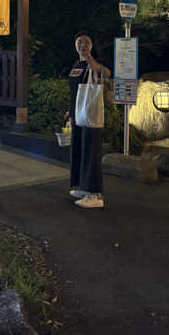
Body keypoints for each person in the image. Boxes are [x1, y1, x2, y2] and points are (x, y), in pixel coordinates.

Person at [64, 31, 111, 209]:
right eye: (79, 42)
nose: (82, 44)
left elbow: (107, 75)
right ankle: (83, 188)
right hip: (78, 113)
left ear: (91, 46)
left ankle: (95, 194)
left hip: (90, 113)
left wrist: (93, 62)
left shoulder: (95, 64)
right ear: (74, 45)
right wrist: (70, 111)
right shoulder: (77, 64)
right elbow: (75, 91)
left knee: (91, 150)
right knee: (79, 149)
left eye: (86, 42)